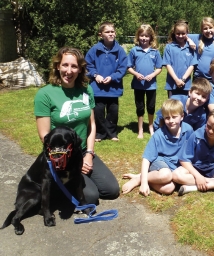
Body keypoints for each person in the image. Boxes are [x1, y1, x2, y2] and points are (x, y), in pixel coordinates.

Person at [34, 47, 120, 204]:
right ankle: (53, 186)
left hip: (82, 151)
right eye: (65, 65)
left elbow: (92, 125)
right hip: (59, 155)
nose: (69, 70)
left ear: (80, 69)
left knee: (111, 190)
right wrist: (71, 160)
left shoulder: (86, 90)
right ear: (57, 66)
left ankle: (74, 180)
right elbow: (44, 136)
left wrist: (88, 154)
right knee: (91, 197)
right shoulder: (45, 94)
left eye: (74, 66)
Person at [121, 99, 194, 196]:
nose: (171, 121)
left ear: (182, 117)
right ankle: (139, 179)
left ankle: (146, 178)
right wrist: (143, 183)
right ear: (163, 118)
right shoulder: (158, 134)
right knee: (166, 175)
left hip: (177, 165)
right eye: (167, 118)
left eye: (174, 117)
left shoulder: (188, 130)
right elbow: (146, 158)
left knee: (169, 189)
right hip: (161, 163)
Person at [173, 107, 214, 195]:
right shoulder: (196, 135)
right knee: (176, 175)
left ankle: (194, 187)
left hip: (213, 168)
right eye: (208, 126)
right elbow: (184, 160)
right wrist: (198, 176)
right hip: (195, 167)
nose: (210, 131)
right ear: (207, 121)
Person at [85, 21, 128, 142]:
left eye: (112, 31)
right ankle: (99, 133)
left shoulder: (120, 50)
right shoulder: (94, 50)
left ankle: (112, 133)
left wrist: (113, 77)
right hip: (98, 88)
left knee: (113, 111)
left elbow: (123, 68)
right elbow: (87, 65)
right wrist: (95, 75)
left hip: (113, 88)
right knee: (98, 111)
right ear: (101, 35)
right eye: (107, 32)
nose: (111, 34)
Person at [127, 24, 163, 139]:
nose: (144, 38)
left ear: (151, 37)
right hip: (138, 85)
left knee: (151, 106)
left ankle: (151, 127)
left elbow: (159, 68)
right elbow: (129, 67)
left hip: (151, 85)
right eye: (142, 36)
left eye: (146, 36)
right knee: (140, 107)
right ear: (138, 36)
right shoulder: (134, 50)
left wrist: (152, 75)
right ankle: (140, 129)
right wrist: (136, 74)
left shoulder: (155, 51)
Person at [163, 20, 197, 97]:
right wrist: (176, 80)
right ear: (174, 33)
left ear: (187, 33)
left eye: (183, 33)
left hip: (186, 84)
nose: (180, 36)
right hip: (172, 84)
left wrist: (183, 79)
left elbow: (192, 66)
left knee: (186, 107)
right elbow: (168, 65)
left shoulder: (190, 47)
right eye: (178, 33)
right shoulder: (169, 47)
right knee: (172, 107)